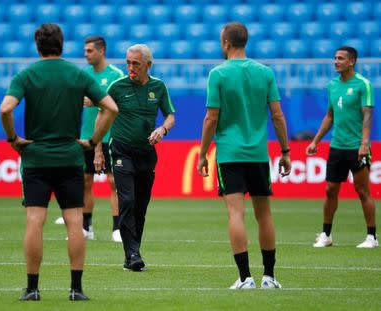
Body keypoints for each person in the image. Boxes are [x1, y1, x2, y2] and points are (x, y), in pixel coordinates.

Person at [0, 24, 118, 301]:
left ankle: (32, 289)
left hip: (36, 159)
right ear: (62, 45)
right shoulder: (77, 75)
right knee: (74, 222)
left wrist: (13, 138)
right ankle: (76, 289)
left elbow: (5, 108)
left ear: (37, 45)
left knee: (34, 221)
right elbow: (111, 108)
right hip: (70, 157)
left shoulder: (27, 74)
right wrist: (91, 141)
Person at [197, 22, 291, 290]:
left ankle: (245, 278)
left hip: (229, 154)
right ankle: (269, 277)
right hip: (259, 154)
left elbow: (210, 118)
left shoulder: (218, 74)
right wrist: (285, 151)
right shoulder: (265, 72)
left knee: (236, 215)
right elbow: (277, 115)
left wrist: (203, 154)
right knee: (265, 215)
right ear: (245, 41)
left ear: (225, 43)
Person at [107, 44, 175, 271]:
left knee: (141, 206)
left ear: (148, 64)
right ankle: (133, 253)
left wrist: (162, 130)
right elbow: (102, 112)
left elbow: (170, 117)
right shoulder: (117, 87)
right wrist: (97, 148)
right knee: (127, 200)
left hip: (146, 153)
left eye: (135, 63)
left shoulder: (159, 86)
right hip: (121, 151)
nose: (130, 67)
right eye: (127, 62)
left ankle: (131, 254)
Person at [306, 46, 377, 249]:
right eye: (335, 58)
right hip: (337, 146)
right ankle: (326, 235)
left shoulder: (363, 84)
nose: (336, 61)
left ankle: (372, 236)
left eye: (341, 58)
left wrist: (364, 144)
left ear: (352, 61)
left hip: (357, 147)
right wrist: (315, 141)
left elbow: (367, 115)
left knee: (363, 191)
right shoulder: (332, 85)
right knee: (330, 190)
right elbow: (330, 116)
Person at [54, 36, 124, 242]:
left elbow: (116, 104)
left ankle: (117, 228)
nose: (86, 54)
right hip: (86, 136)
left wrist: (93, 100)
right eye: (85, 51)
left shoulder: (116, 75)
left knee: (113, 181)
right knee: (84, 181)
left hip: (110, 135)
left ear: (101, 51)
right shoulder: (83, 75)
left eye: (89, 51)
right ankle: (86, 227)